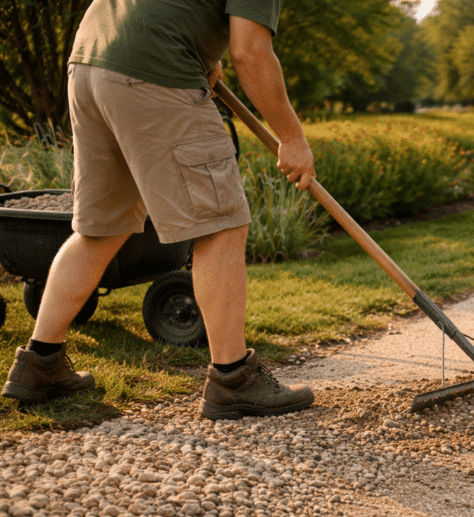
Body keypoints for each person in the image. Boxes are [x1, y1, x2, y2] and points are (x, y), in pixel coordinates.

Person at [1, 0, 316, 420]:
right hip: (154, 69)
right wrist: (291, 137)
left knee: (98, 229)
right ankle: (233, 378)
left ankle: (38, 365)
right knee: (219, 225)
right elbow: (250, 51)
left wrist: (200, 57)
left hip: (91, 62)